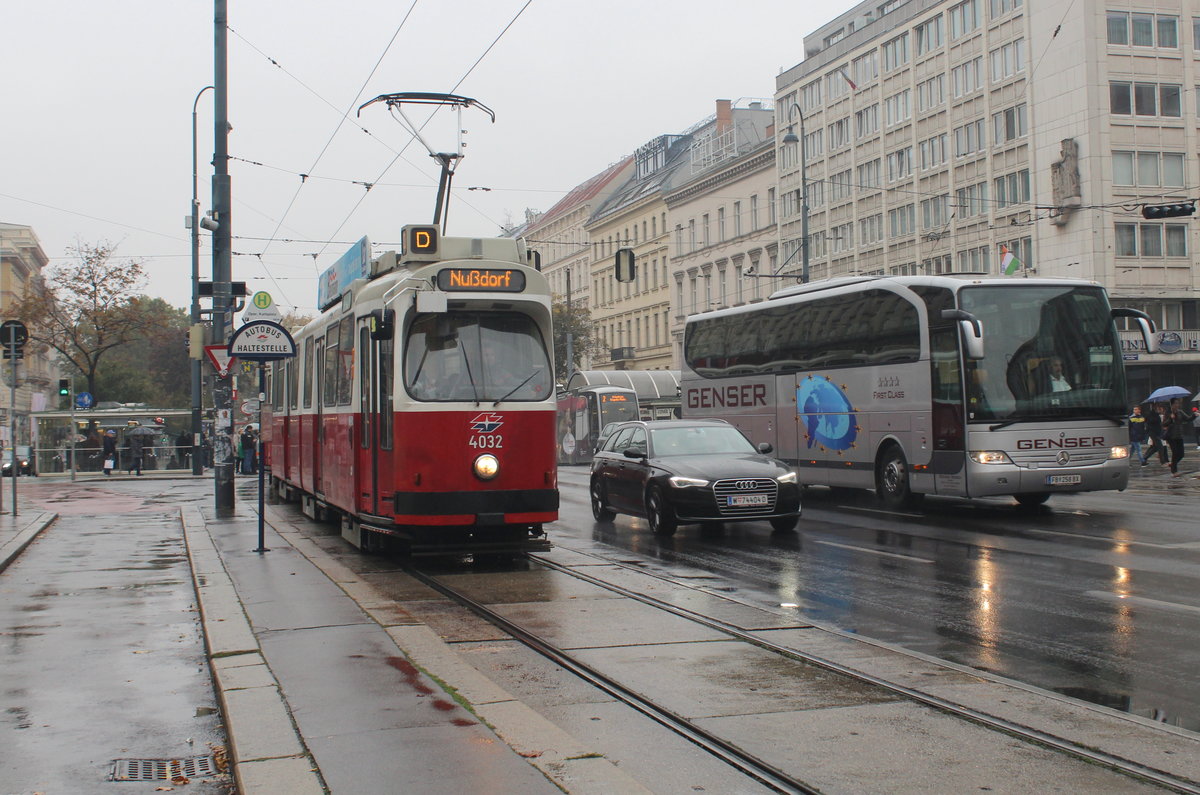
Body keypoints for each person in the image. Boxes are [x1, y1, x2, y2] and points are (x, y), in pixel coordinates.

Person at [1162, 398, 1187, 477]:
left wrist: (1194, 415)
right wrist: (1170, 418)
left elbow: (1188, 418)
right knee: (1175, 453)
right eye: (1175, 403)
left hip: (1179, 435)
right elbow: (1164, 424)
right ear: (1172, 404)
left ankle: (1173, 464)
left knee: (1181, 454)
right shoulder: (1168, 413)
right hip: (1171, 436)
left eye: (1178, 403)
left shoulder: (1180, 412)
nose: (1177, 405)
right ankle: (1174, 471)